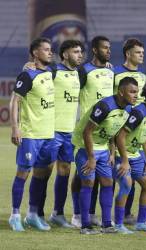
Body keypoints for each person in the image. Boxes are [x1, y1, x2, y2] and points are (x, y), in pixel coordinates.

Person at [71, 77, 139, 234]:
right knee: (88, 182)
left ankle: (107, 224)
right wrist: (91, 158)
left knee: (108, 182)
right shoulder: (105, 106)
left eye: (137, 92)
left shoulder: (128, 109)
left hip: (103, 148)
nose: (136, 95)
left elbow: (113, 132)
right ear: (121, 92)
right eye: (132, 92)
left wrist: (111, 151)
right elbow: (87, 132)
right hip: (83, 146)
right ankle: (85, 225)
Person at [9, 37, 55, 231]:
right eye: (45, 50)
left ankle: (33, 214)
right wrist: (15, 127)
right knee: (23, 173)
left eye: (50, 49)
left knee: (41, 174)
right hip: (30, 134)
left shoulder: (51, 72)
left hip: (47, 134)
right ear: (35, 53)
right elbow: (14, 102)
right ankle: (14, 215)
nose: (50, 52)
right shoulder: (27, 75)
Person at [71, 35, 114, 227]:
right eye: (105, 48)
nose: (108, 51)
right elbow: (70, 87)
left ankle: (90, 213)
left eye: (109, 48)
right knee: (82, 174)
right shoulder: (84, 70)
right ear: (95, 50)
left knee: (98, 177)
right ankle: (77, 214)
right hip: (86, 129)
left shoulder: (111, 72)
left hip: (104, 133)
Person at [114, 81, 146, 233]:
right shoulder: (138, 113)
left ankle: (142, 222)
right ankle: (117, 224)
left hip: (135, 156)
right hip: (120, 154)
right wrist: (124, 160)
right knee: (126, 184)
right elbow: (120, 137)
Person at [45, 40, 84, 227]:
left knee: (65, 171)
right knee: (43, 171)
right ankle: (34, 213)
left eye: (81, 51)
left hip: (70, 132)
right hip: (51, 130)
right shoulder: (53, 71)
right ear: (65, 54)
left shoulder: (80, 74)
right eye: (75, 51)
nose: (80, 54)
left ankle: (57, 213)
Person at [113, 38, 146, 224]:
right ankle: (100, 213)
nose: (141, 55)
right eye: (138, 52)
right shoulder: (115, 72)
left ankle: (126, 213)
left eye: (142, 52)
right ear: (128, 54)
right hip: (117, 126)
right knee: (110, 177)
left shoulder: (143, 76)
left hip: (136, 130)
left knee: (132, 176)